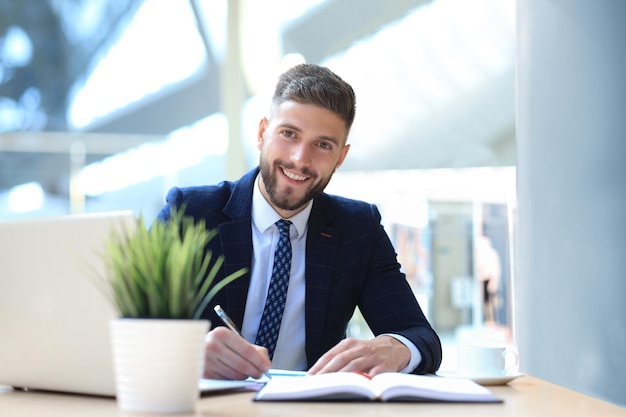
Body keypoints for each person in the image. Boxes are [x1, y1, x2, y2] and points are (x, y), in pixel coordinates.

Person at [156, 63, 442, 380]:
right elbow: (127, 324)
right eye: (289, 134)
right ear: (263, 133)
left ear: (340, 157)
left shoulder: (359, 228)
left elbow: (420, 336)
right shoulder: (190, 213)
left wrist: (393, 349)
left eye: (323, 145)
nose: (300, 160)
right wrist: (186, 353)